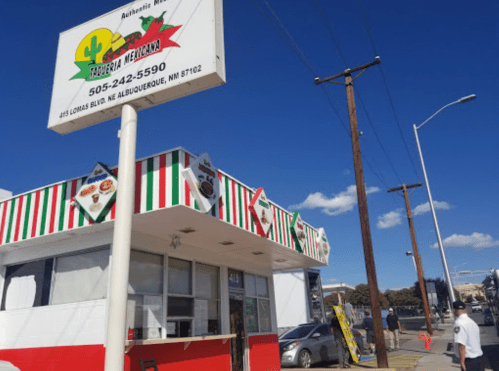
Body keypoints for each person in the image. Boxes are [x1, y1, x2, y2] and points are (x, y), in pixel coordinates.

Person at [453, 300, 485, 371]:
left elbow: (461, 345)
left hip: (470, 361)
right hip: (480, 359)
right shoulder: (472, 322)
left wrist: (462, 362)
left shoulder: (458, 323)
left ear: (454, 310)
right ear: (465, 310)